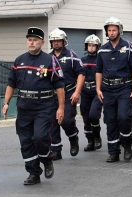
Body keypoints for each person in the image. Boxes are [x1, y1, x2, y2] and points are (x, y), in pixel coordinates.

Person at [2, 27, 65, 185]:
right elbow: (11, 84)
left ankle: (47, 159)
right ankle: (33, 173)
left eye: (35, 40)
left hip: (44, 106)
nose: (31, 42)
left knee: (40, 137)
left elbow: (59, 86)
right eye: (29, 39)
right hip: (24, 107)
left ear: (42, 42)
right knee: (26, 141)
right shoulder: (19, 61)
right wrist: (6, 103)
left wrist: (61, 108)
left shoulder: (50, 60)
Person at [96, 17, 132, 162]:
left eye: (114, 30)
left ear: (119, 30)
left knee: (123, 117)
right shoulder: (102, 50)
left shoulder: (128, 47)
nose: (112, 32)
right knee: (110, 120)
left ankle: (127, 146)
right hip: (107, 89)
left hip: (124, 88)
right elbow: (99, 71)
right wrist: (98, 89)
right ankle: (113, 151)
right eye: (109, 30)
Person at [48, 28, 85, 160]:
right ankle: (56, 150)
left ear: (64, 41)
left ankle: (73, 136)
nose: (56, 43)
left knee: (66, 120)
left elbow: (81, 73)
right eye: (54, 41)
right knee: (52, 122)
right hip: (52, 96)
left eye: (58, 40)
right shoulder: (47, 58)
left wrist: (77, 92)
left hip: (69, 92)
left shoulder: (71, 55)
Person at [80, 34, 103, 151]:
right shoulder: (82, 61)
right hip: (84, 91)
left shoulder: (100, 60)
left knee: (93, 115)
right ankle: (90, 140)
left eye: (94, 46)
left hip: (96, 91)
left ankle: (97, 136)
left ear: (98, 47)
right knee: (85, 116)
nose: (91, 48)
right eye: (89, 45)